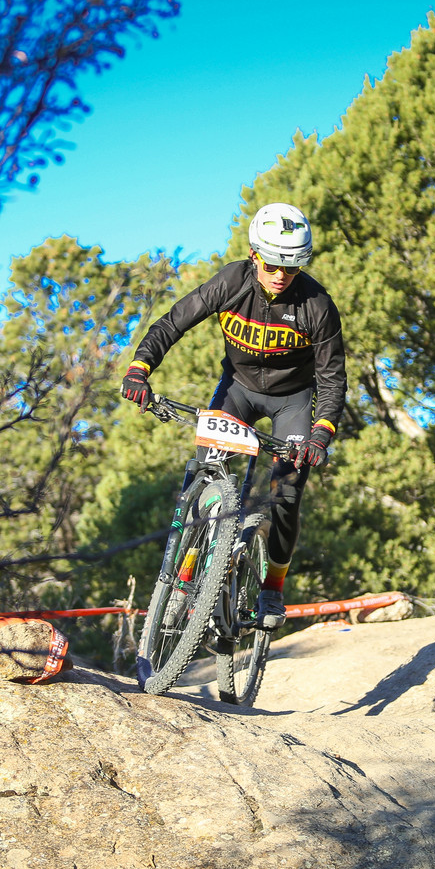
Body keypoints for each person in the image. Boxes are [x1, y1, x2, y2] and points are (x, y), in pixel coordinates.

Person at [120, 202, 346, 625]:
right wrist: (140, 369)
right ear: (254, 254)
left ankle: (272, 589)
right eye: (273, 264)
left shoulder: (316, 305)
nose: (281, 275)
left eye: (292, 267)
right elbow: (172, 323)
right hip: (238, 390)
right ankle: (185, 576)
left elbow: (332, 379)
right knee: (204, 476)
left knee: (287, 493)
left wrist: (320, 434)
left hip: (292, 401)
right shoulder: (232, 281)